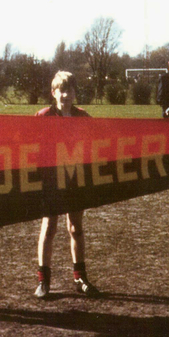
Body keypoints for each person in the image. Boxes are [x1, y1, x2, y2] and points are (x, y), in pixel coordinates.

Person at [34, 71, 101, 299]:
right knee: (49, 227)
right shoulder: (43, 116)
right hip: (51, 181)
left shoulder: (83, 117)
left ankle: (79, 277)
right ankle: (43, 280)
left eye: (70, 90)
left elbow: (99, 142)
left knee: (76, 227)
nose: (66, 95)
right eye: (62, 90)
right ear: (54, 93)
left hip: (75, 180)